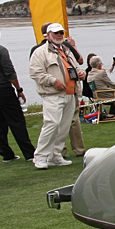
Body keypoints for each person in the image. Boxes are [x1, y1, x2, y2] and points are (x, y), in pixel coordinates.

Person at [28, 23, 81, 169]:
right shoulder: (40, 52)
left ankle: (55, 155)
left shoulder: (66, 50)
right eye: (56, 33)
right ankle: (40, 156)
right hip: (52, 94)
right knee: (51, 124)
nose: (59, 35)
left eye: (61, 33)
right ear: (48, 34)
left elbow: (75, 66)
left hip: (70, 93)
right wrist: (53, 81)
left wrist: (80, 73)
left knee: (64, 126)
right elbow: (35, 73)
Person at [0, 29, 35, 163]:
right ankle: (29, 153)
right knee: (17, 121)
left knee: (0, 124)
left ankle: (6, 153)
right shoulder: (1, 50)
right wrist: (19, 89)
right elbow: (9, 72)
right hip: (3, 89)